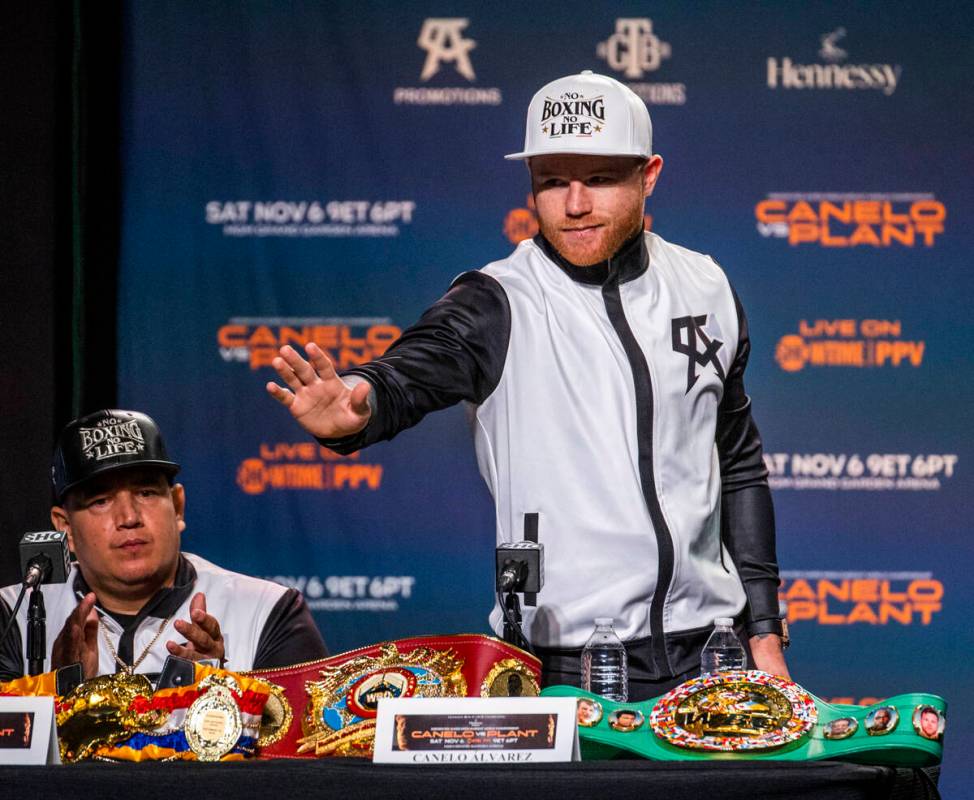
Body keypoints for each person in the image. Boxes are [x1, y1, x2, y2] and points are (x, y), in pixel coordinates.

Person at [266, 70, 788, 700]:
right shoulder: (497, 300)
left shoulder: (706, 286)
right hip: (570, 668)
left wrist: (762, 630)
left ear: (648, 176)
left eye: (597, 179)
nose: (572, 204)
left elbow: (735, 465)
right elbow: (416, 366)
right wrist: (363, 404)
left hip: (715, 653)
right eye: (551, 182)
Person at [0, 410, 328, 686]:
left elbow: (302, 753)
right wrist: (59, 691)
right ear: (65, 527)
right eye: (100, 501)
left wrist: (223, 692)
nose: (128, 517)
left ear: (178, 506)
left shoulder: (268, 612)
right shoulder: (11, 616)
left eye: (146, 493)